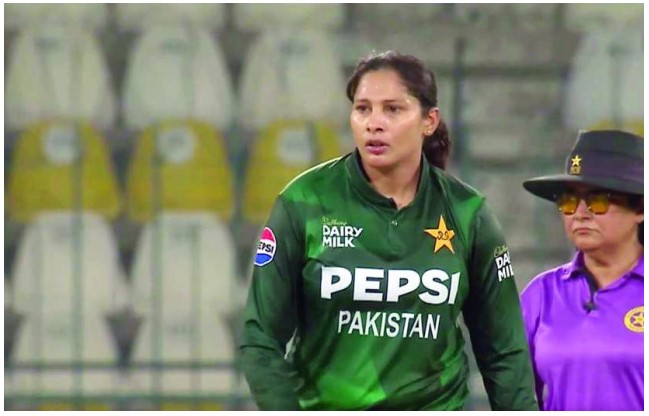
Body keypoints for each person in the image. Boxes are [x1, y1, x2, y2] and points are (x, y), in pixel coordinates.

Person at [239, 50, 538, 410]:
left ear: (429, 121)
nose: (374, 123)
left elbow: (504, 350)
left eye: (393, 109)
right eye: (363, 109)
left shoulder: (467, 212)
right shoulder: (303, 202)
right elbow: (260, 340)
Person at [521, 130, 644, 411]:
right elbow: (515, 395)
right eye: (568, 201)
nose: (580, 213)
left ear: (640, 208)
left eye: (598, 200)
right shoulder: (541, 294)